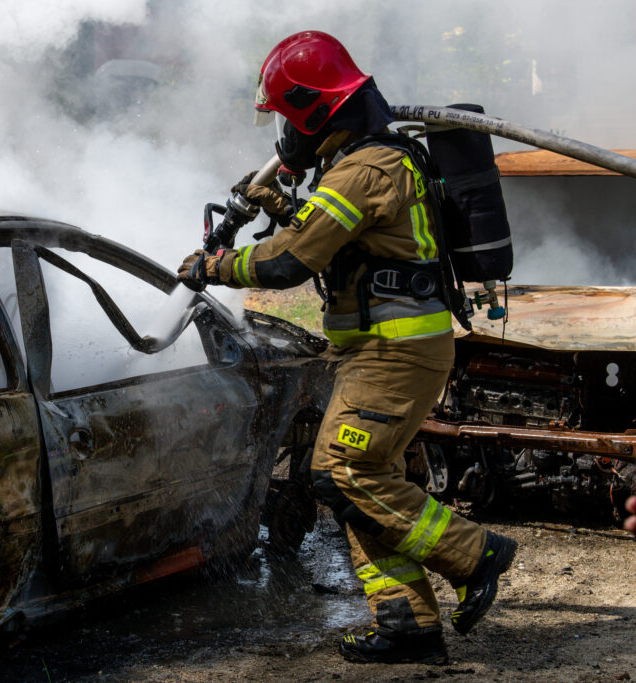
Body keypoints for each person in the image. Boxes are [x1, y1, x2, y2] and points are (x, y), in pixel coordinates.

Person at [177, 30, 517, 664]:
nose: (283, 134)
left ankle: (474, 553)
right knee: (362, 484)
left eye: (285, 116)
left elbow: (291, 263)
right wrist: (279, 202)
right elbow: (329, 239)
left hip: (395, 354)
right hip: (378, 352)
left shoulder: (368, 168)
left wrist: (215, 267)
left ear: (313, 109)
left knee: (342, 471)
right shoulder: (360, 163)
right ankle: (406, 621)